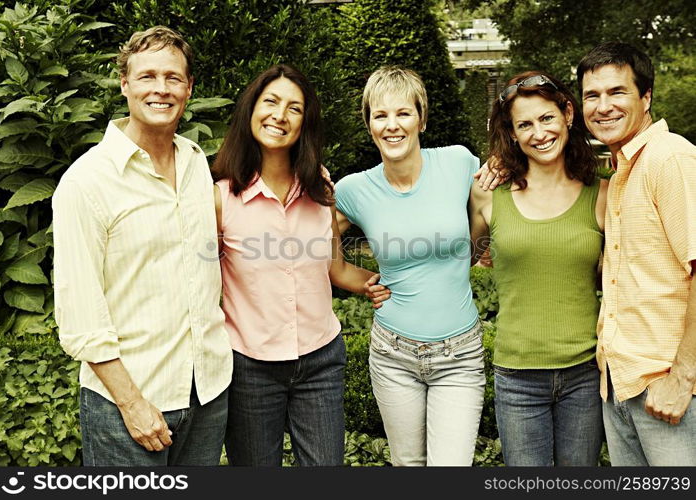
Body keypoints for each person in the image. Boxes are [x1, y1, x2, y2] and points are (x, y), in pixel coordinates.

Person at [52, 26, 232, 466]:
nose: (160, 89)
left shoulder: (194, 162)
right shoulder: (86, 182)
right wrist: (132, 405)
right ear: (125, 84)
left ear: (189, 89)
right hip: (128, 406)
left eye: (173, 78)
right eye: (147, 76)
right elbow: (80, 317)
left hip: (207, 392)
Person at [212, 64, 390, 467]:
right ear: (250, 110)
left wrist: (383, 281)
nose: (280, 115)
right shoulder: (221, 198)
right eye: (271, 102)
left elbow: (337, 269)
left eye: (294, 108)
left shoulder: (320, 187)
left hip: (320, 361)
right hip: (250, 368)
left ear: (304, 123)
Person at [334, 66, 485, 466]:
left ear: (422, 118)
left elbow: (495, 208)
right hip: (393, 355)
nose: (392, 125)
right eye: (379, 116)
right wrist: (356, 280)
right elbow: (306, 237)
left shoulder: (458, 163)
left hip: (459, 355)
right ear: (369, 125)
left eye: (403, 113)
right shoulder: (353, 190)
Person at [468, 71, 608, 466]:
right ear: (511, 134)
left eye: (546, 118)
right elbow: (464, 256)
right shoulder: (487, 193)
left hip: (585, 372)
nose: (538, 132)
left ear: (567, 114)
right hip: (516, 377)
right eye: (524, 124)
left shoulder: (603, 194)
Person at [577, 41, 696, 466]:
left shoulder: (671, 159)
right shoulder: (623, 170)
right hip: (621, 386)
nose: (603, 106)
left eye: (617, 92)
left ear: (646, 97)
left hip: (671, 390)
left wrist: (683, 379)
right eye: (592, 95)